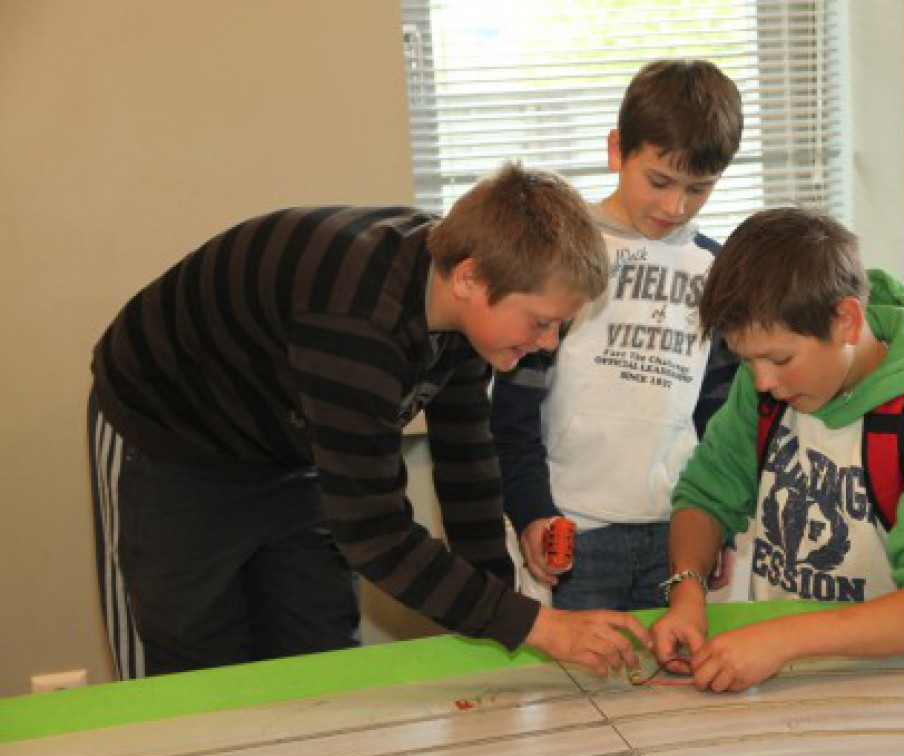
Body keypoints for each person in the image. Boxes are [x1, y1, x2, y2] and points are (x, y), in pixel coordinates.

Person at [87, 162, 650, 680]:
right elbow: (375, 535)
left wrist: (503, 612)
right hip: (171, 441)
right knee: (195, 664)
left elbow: (468, 467)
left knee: (319, 652)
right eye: (541, 322)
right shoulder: (355, 318)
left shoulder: (462, 312)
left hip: (289, 446)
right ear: (469, 279)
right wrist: (537, 626)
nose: (547, 344)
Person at [650, 207, 904, 692]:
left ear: (846, 320)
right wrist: (687, 592)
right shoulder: (763, 388)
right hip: (783, 680)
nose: (763, 381)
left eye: (779, 359)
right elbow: (705, 496)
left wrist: (783, 638)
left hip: (891, 689)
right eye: (747, 361)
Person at [490, 59, 744, 611]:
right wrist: (531, 511)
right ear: (616, 150)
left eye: (699, 189)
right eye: (659, 181)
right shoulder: (563, 256)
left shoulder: (716, 270)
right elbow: (513, 409)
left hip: (678, 530)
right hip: (574, 530)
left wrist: (718, 523)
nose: (675, 206)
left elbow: (721, 416)